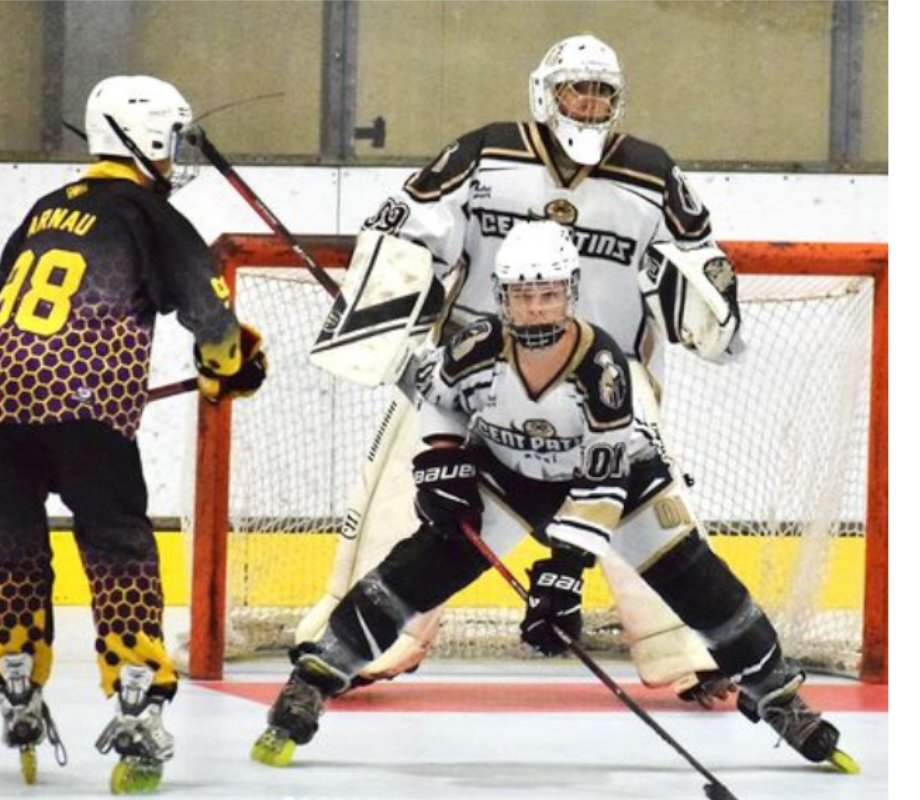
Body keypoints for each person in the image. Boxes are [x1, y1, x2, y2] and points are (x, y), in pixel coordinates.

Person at [256, 222, 849, 770]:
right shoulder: (475, 345)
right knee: (413, 573)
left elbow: (602, 483)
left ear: (571, 292)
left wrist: (565, 570)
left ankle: (778, 696)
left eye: (548, 294)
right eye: (523, 295)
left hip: (620, 483)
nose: (536, 307)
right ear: (502, 295)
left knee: (700, 583)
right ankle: (314, 679)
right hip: (509, 477)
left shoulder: (603, 369)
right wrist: (441, 457)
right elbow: (437, 397)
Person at [296, 32, 743, 705]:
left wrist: (709, 314)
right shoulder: (484, 153)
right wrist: (389, 322)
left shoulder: (652, 174)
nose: (589, 102)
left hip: (604, 378)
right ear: (546, 92)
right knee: (400, 496)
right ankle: (362, 644)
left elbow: (698, 264)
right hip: (477, 371)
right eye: (576, 89)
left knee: (653, 506)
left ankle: (695, 651)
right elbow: (407, 226)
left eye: (602, 92)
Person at [0, 74, 267, 790]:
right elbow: (211, 318)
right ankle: (136, 694)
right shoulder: (146, 211)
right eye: (173, 139)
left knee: (10, 541)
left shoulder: (46, 208)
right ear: (148, 138)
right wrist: (230, 364)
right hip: (88, 410)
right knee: (117, 547)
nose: (177, 153)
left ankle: (14, 673)